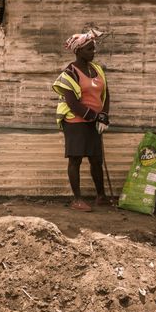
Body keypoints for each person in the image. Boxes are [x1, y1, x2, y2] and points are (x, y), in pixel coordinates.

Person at [52, 29, 112, 212]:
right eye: (89, 49)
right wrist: (95, 117)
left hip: (93, 121)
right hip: (74, 121)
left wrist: (104, 117)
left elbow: (106, 94)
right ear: (78, 51)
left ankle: (101, 196)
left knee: (96, 159)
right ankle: (77, 199)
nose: (93, 52)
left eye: (93, 48)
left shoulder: (97, 69)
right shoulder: (69, 73)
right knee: (75, 159)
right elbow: (73, 104)